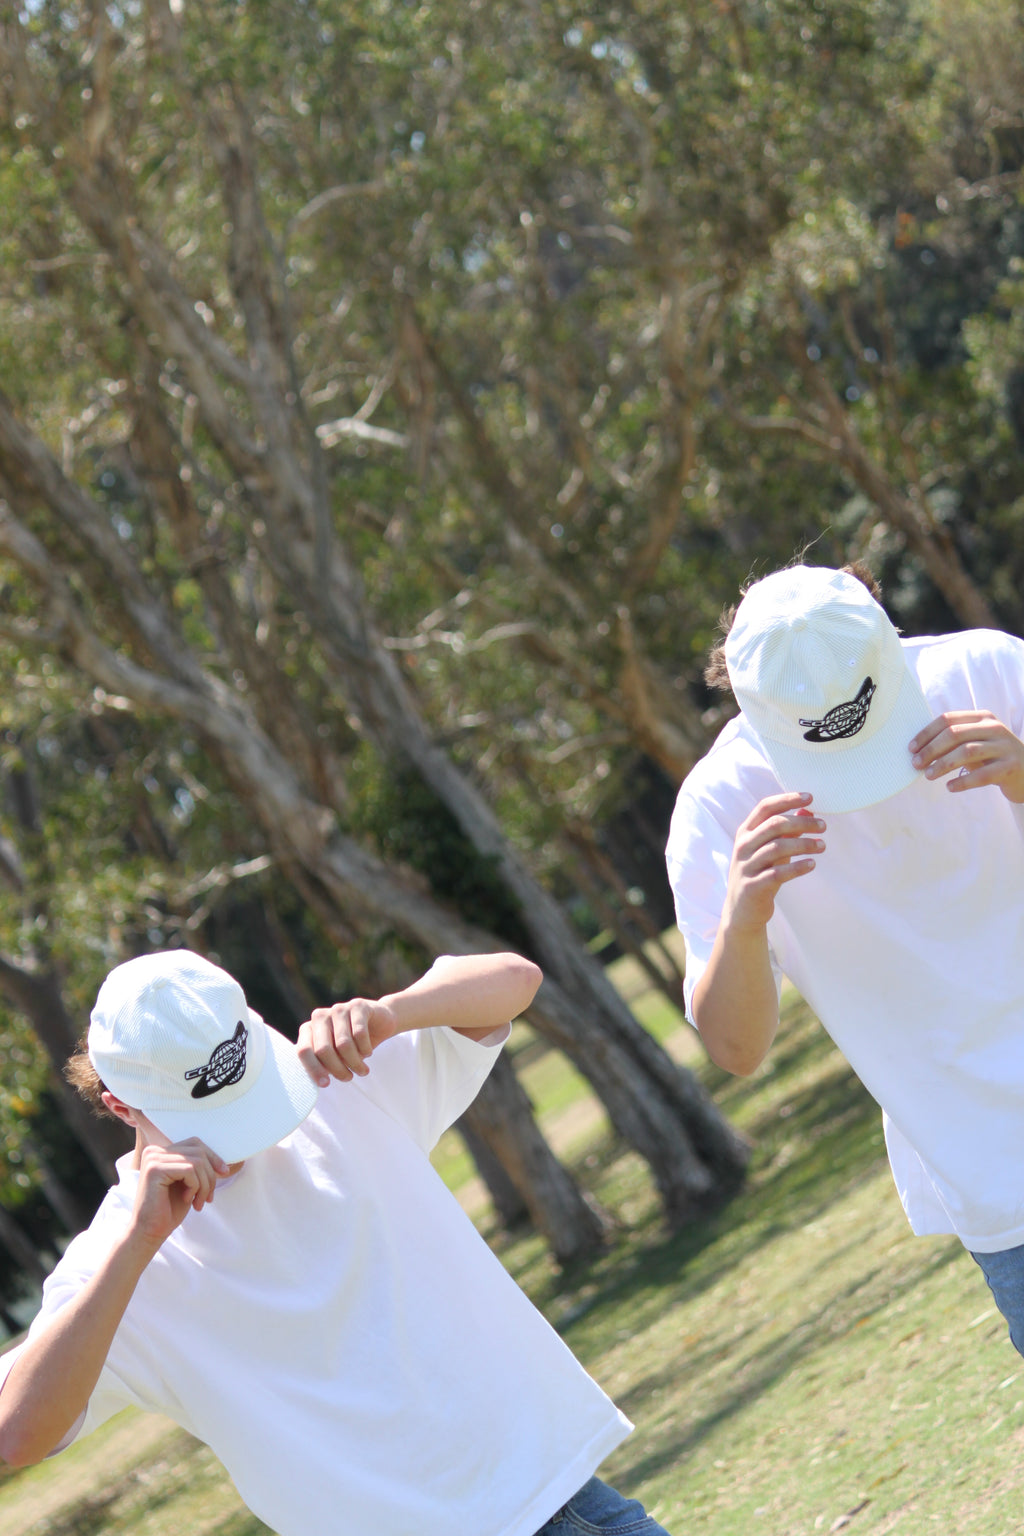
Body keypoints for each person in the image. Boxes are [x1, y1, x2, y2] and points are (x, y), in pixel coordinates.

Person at [0, 947, 673, 1536]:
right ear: (121, 1105)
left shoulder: (332, 1084)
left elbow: (513, 980)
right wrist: (135, 1248)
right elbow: (17, 1433)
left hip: (552, 1512)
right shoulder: (121, 1258)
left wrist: (393, 1012)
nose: (251, 1131)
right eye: (211, 1114)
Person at [666, 562, 1024, 1356]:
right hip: (999, 1177)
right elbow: (737, 1049)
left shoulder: (987, 670)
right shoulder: (719, 808)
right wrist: (745, 915)